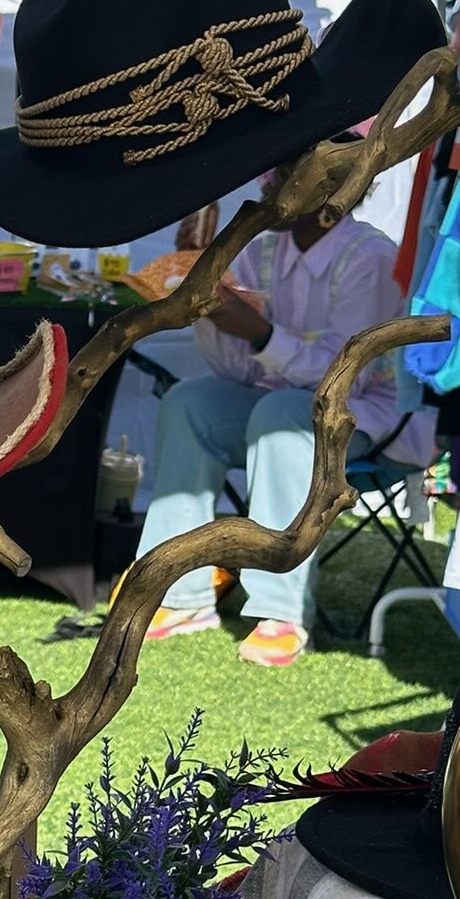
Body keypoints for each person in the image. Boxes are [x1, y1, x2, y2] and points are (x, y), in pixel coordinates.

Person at [133, 189, 417, 667]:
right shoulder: (261, 250)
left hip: (371, 419)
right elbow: (239, 372)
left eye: (283, 176)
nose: (267, 190)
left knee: (282, 415)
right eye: (271, 177)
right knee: (189, 402)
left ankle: (280, 611)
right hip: (280, 407)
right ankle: (180, 592)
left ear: (332, 188)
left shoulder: (370, 257)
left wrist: (260, 333)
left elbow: (347, 379)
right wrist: (205, 296)